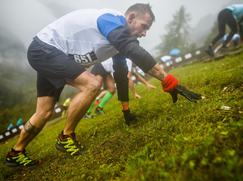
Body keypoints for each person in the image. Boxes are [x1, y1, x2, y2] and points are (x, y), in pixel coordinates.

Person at [5, 3, 201, 167]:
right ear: (131, 17)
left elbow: (121, 74)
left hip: (50, 53)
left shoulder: (117, 40)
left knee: (44, 111)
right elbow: (135, 51)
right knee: (92, 84)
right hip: (45, 49)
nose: (144, 33)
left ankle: (16, 152)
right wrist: (167, 79)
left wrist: (126, 109)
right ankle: (66, 138)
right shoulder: (111, 21)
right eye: (144, 26)